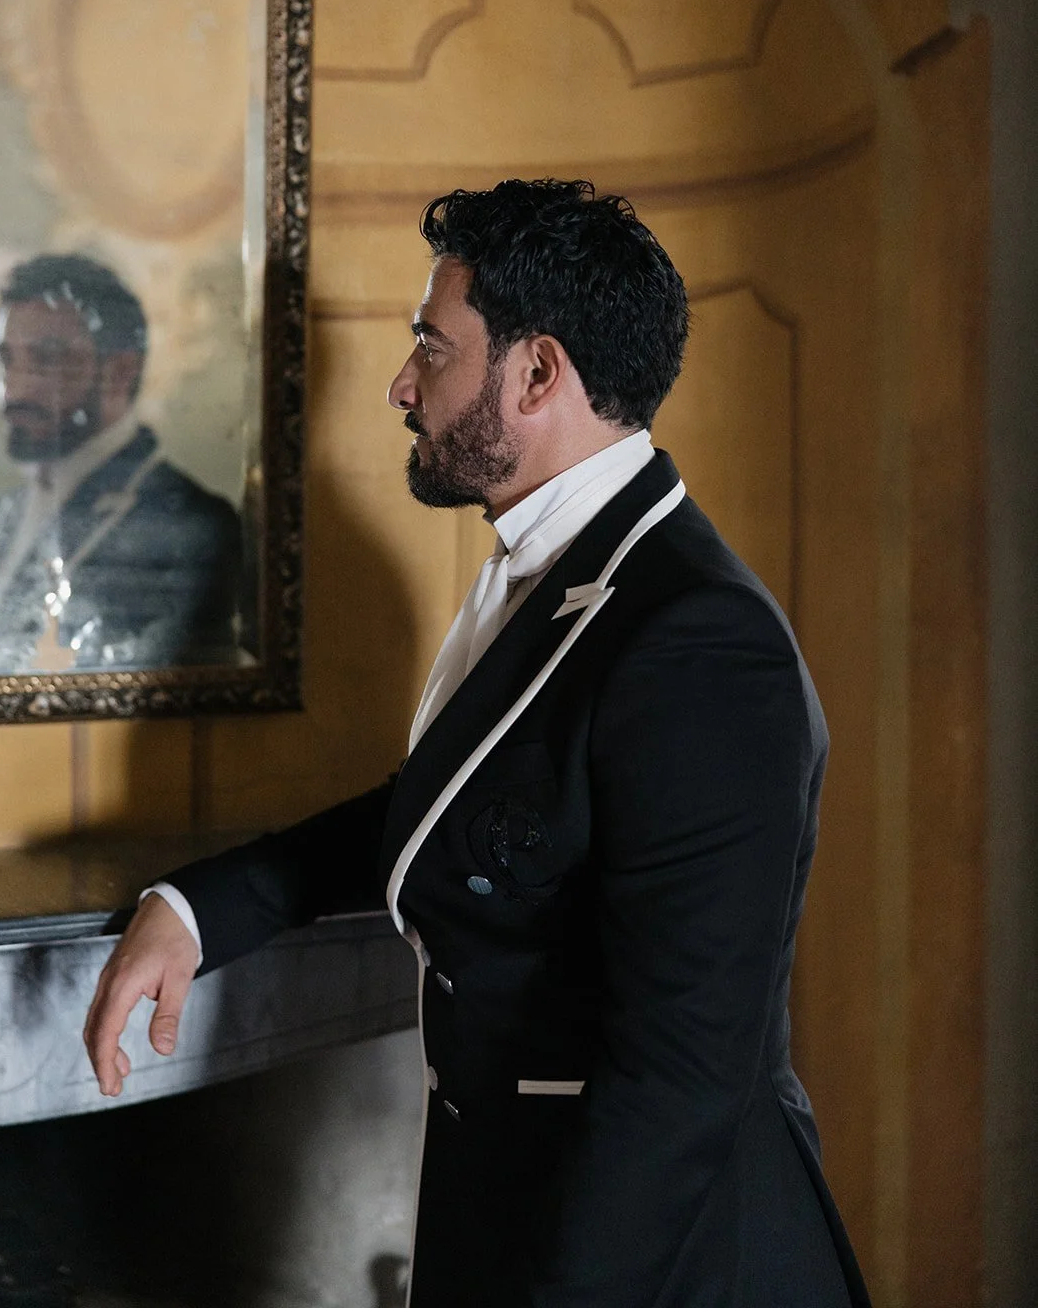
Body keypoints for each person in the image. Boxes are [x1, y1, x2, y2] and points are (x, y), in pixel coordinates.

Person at [83, 180, 871, 1308]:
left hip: (660, 1265)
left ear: (536, 372)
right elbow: (469, 812)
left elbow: (679, 1078)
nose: (401, 385)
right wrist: (200, 909)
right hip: (509, 1214)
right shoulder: (569, 564)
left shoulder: (700, 641)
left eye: (430, 346)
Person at [0, 253, 241, 672]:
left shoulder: (191, 528)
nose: (14, 390)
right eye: (6, 360)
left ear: (119, 372)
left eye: (46, 360)